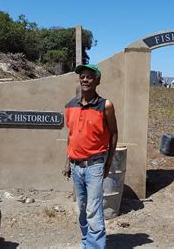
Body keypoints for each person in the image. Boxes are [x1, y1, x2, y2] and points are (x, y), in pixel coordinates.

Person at [63, 63, 118, 249]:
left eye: (90, 76)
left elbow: (113, 134)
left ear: (98, 81)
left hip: (94, 165)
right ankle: (86, 242)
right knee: (82, 208)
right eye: (82, 76)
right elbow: (71, 136)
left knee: (93, 210)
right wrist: (67, 162)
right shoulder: (70, 105)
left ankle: (95, 246)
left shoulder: (105, 105)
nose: (85, 79)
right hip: (75, 165)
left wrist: (108, 163)